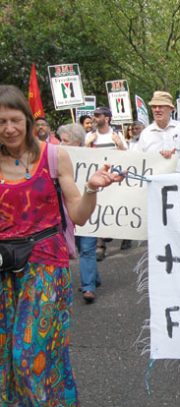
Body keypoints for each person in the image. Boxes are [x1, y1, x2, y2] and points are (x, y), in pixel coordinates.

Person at [0, 85, 122, 407]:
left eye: (15, 119)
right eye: (0, 122)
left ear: (28, 120)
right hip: (6, 270)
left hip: (46, 265)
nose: (8, 128)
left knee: (28, 351)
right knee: (39, 349)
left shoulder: (55, 157)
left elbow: (80, 215)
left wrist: (92, 188)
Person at [57, 123, 102, 304]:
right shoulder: (58, 160)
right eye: (60, 140)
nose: (60, 144)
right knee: (81, 248)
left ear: (76, 143)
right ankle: (94, 277)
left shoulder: (91, 158)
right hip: (68, 214)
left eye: (65, 141)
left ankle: (88, 286)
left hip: (89, 213)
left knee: (87, 249)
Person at [84, 106, 127, 259]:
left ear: (107, 118)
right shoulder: (90, 136)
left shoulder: (116, 135)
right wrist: (88, 145)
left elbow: (127, 157)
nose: (94, 118)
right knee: (98, 208)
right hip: (98, 178)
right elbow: (84, 159)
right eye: (94, 115)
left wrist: (119, 145)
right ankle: (100, 245)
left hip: (113, 179)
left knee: (112, 208)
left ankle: (116, 233)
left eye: (98, 115)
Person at [135, 91, 180, 172]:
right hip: (156, 182)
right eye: (154, 106)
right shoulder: (145, 134)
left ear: (171, 109)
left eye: (160, 106)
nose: (157, 110)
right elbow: (139, 162)